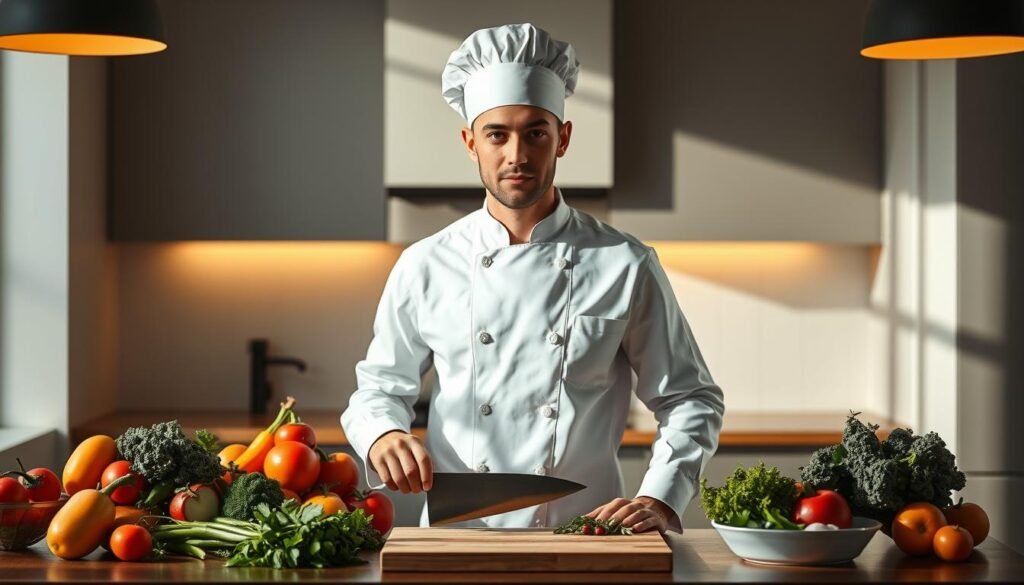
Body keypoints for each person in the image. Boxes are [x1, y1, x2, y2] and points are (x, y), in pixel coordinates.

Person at [341, 23, 724, 533]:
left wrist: (662, 496)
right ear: (470, 143)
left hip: (587, 535)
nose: (516, 155)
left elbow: (689, 397)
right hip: (462, 539)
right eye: (496, 134)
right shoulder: (425, 264)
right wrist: (383, 434)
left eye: (535, 133)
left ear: (562, 139)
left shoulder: (624, 263)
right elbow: (378, 388)